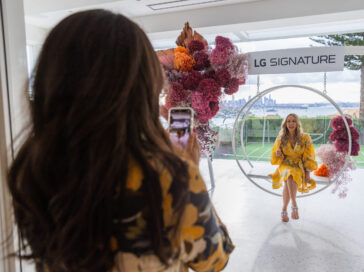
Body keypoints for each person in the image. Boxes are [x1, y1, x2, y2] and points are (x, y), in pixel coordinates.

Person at [7, 10, 233, 272]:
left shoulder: (34, 170)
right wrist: (191, 172)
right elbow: (216, 259)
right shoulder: (170, 178)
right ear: (142, 86)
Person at [269, 114, 318, 222]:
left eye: (293, 121)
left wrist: (308, 172)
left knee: (289, 178)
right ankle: (294, 205)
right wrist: (278, 154)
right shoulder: (281, 138)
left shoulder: (305, 137)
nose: (291, 123)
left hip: (298, 165)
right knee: (289, 173)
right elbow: (276, 157)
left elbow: (309, 156)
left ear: (297, 123)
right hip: (285, 165)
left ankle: (284, 209)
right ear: (285, 124)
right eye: (288, 121)